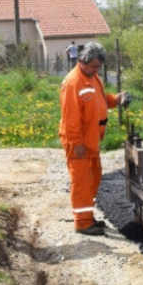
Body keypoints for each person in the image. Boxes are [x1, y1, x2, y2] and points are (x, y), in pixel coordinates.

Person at [58, 42, 127, 236]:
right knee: (81, 181)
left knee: (93, 178)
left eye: (99, 67)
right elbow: (70, 118)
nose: (96, 70)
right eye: (94, 66)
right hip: (79, 142)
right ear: (82, 61)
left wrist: (116, 99)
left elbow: (101, 100)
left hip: (91, 139)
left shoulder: (93, 78)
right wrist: (76, 143)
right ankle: (82, 223)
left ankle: (87, 215)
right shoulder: (73, 83)